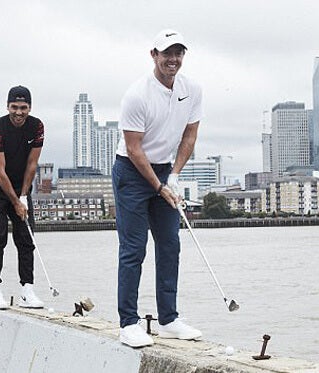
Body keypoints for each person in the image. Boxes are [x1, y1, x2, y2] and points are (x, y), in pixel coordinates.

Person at [112, 29, 203, 347]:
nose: (173, 59)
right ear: (154, 54)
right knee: (134, 248)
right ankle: (128, 323)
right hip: (132, 173)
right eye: (167, 53)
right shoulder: (137, 94)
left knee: (170, 245)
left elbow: (189, 136)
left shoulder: (191, 89)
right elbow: (134, 149)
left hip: (165, 168)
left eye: (179, 53)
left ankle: (168, 319)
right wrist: (158, 186)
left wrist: (174, 176)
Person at [0, 85, 45, 310]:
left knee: (26, 239)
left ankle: (27, 291)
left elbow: (32, 164)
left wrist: (24, 196)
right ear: (7, 106)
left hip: (21, 187)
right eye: (14, 107)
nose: (19, 112)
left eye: (23, 107)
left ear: (30, 107)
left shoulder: (37, 127)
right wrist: (15, 202)